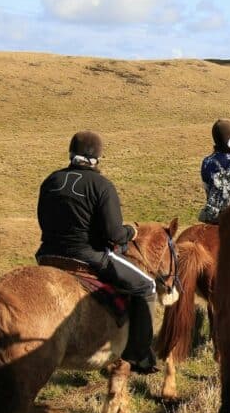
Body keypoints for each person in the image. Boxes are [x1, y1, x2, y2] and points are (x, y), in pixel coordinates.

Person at [35, 131, 159, 373]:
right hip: (87, 257)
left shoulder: (50, 181)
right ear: (97, 157)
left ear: (71, 153)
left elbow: (42, 220)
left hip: (47, 255)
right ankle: (138, 355)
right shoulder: (101, 185)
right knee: (147, 287)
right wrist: (131, 232)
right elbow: (113, 234)